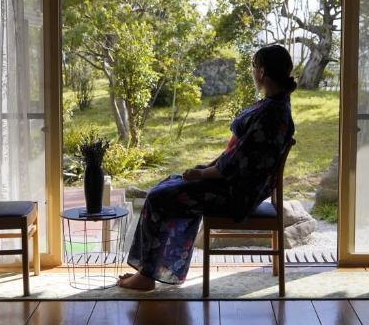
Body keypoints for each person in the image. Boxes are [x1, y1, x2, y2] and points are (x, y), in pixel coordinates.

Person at [118, 44, 297, 291]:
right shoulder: (275, 105)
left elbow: (238, 163)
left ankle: (148, 276)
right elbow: (237, 155)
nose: (252, 72)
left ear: (263, 72)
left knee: (159, 197)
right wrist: (205, 169)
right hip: (235, 185)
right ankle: (151, 269)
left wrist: (203, 173)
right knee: (168, 184)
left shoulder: (272, 114)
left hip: (236, 195)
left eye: (254, 67)